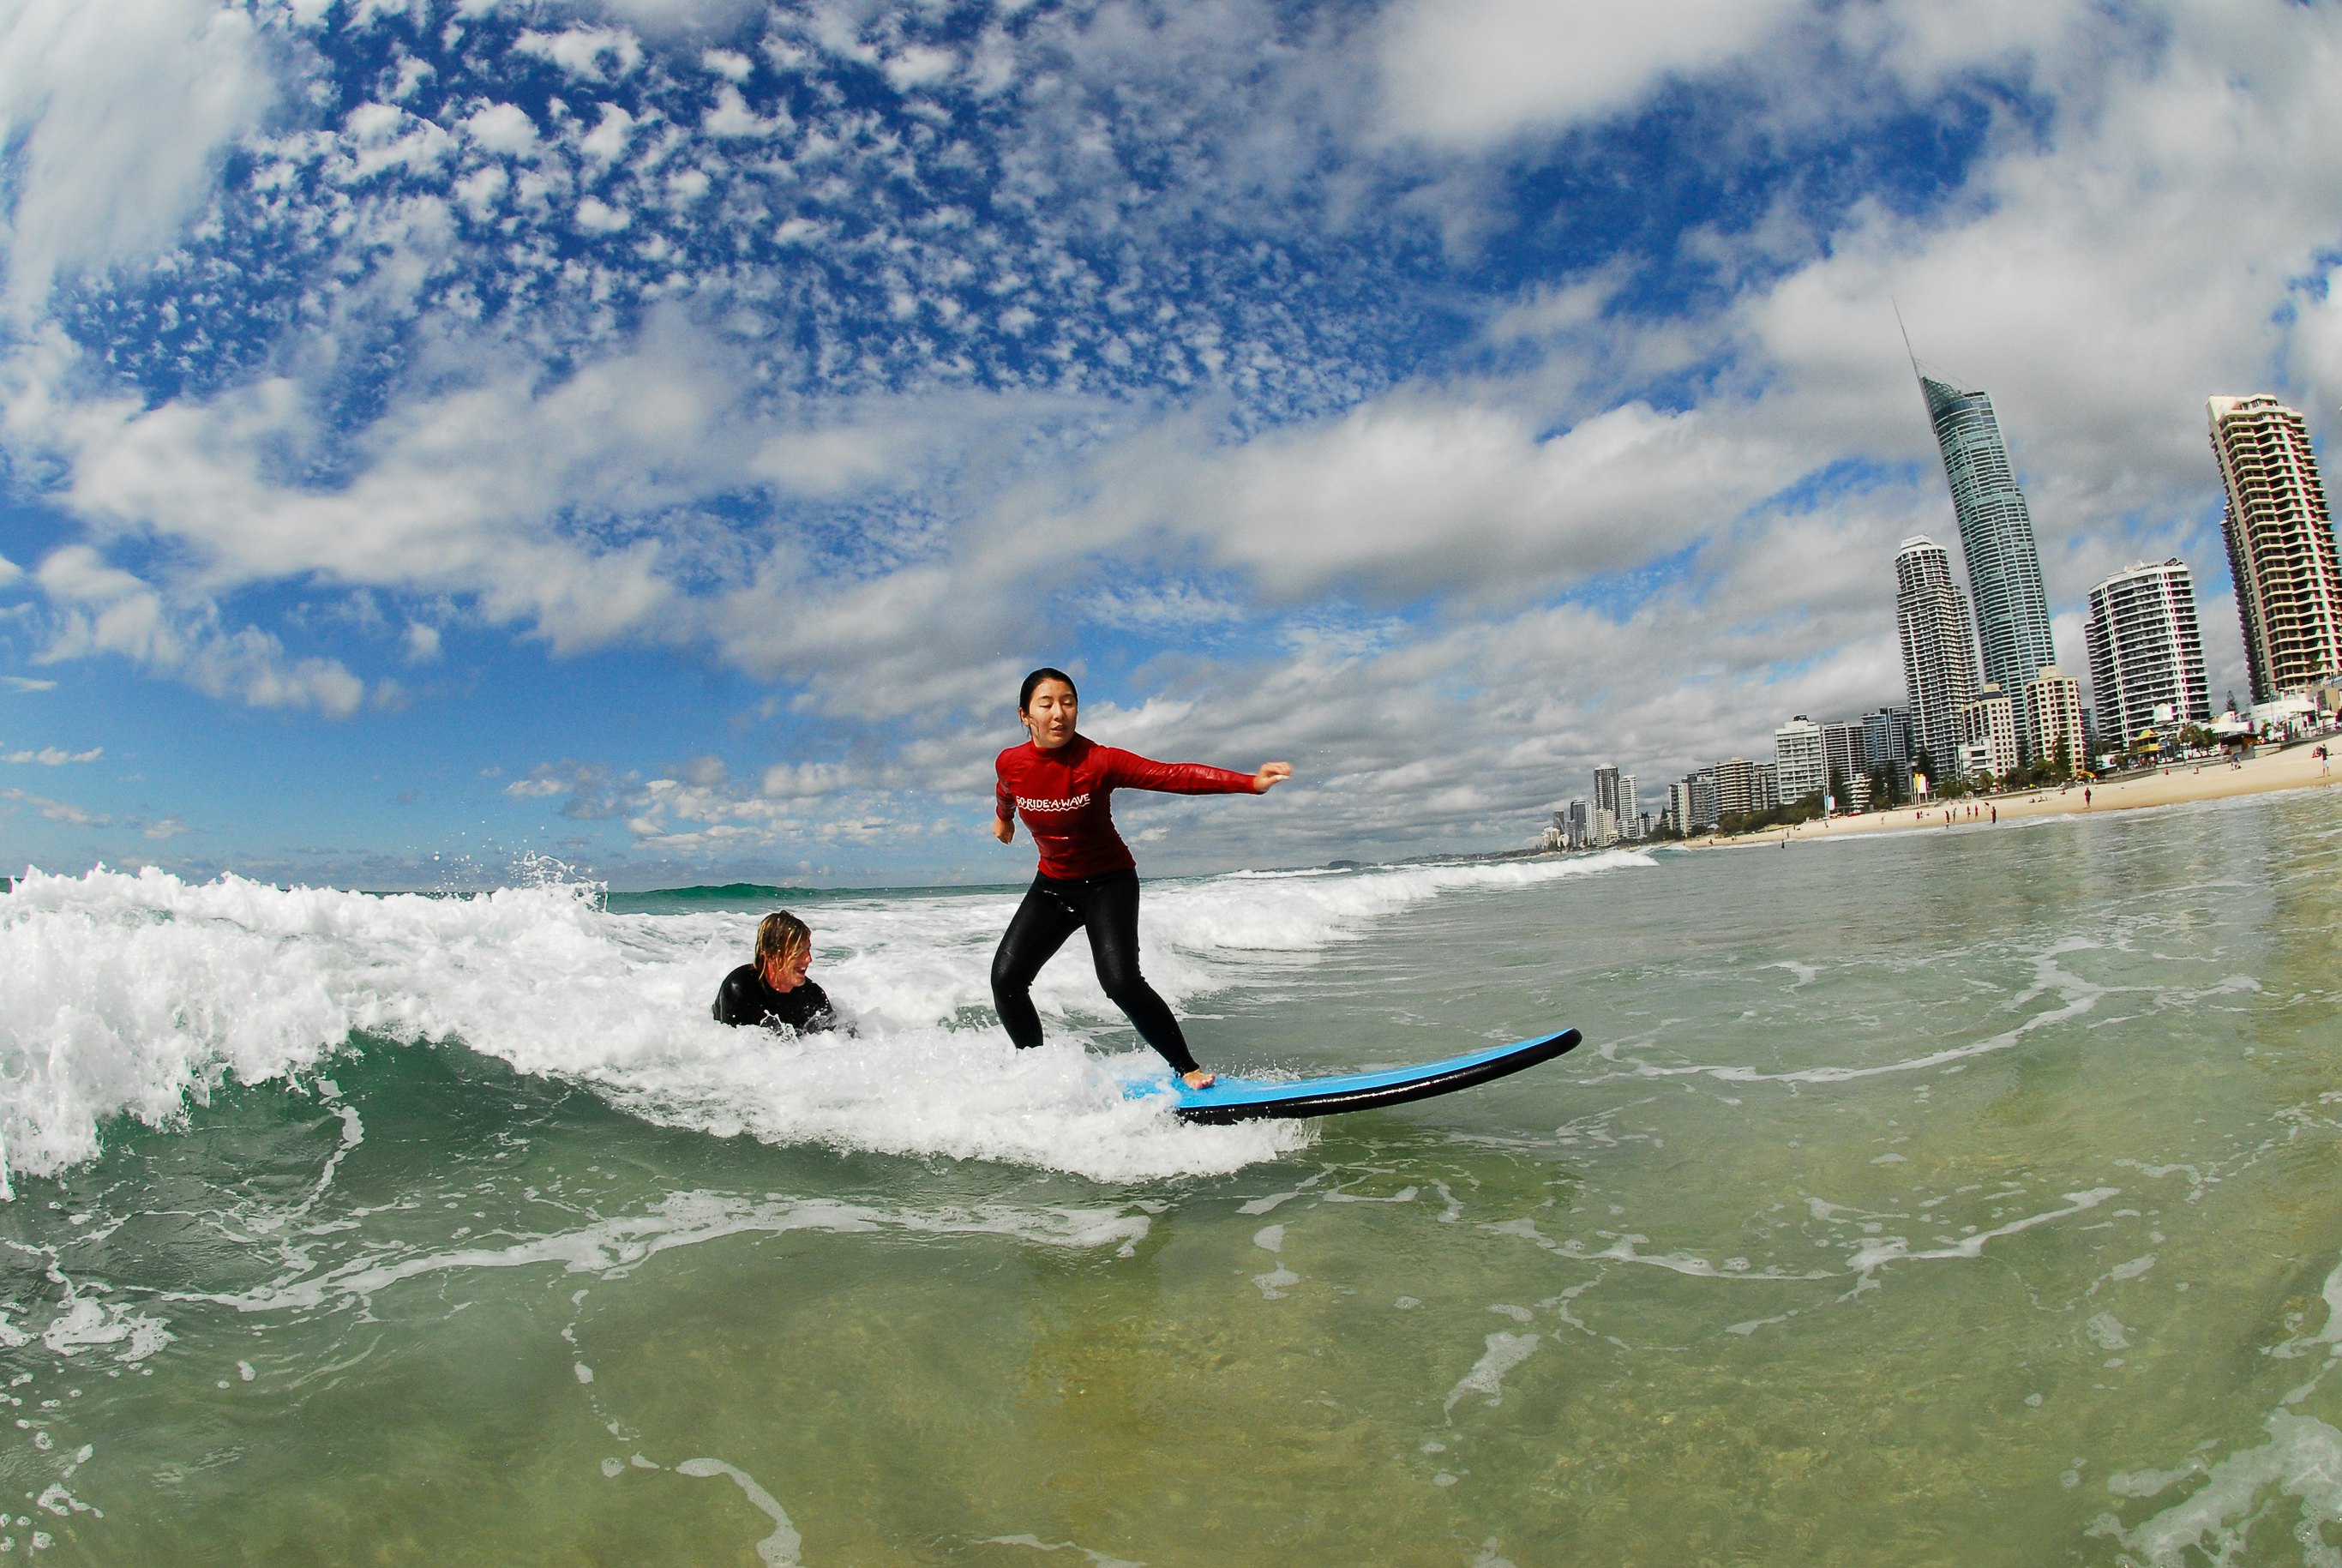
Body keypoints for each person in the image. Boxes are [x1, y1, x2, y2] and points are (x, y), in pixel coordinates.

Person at [990, 667, 1291, 1089]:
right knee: (1006, 980)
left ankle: (1187, 1068)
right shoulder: (1011, 762)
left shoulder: (1099, 760)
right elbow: (1006, 789)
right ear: (1025, 715)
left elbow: (1172, 775)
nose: (1059, 713)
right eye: (1047, 704)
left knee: (1120, 982)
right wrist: (1003, 820)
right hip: (1053, 886)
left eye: (1068, 702)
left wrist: (1249, 783)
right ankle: (1036, 1072)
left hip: (1108, 883)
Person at [712, 910, 839, 1032]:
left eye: (808, 949)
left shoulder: (813, 995)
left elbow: (838, 1040)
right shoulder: (741, 988)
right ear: (770, 954)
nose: (808, 959)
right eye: (798, 952)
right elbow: (731, 1048)